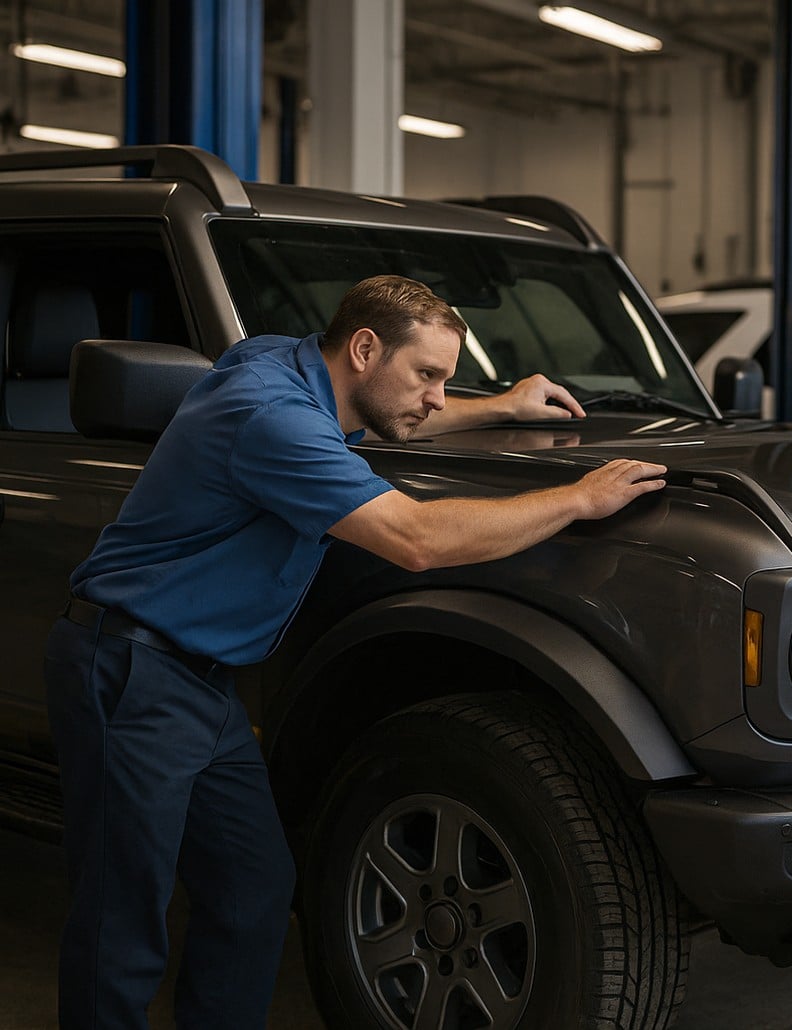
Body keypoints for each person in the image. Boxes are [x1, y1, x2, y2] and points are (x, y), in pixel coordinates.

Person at [43, 274, 667, 1029]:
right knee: (123, 922)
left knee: (255, 888)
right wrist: (578, 498)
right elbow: (417, 540)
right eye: (429, 375)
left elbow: (380, 416)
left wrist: (501, 404)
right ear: (365, 348)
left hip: (198, 685)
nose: (438, 396)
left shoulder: (291, 365)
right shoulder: (269, 415)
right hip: (132, 671)